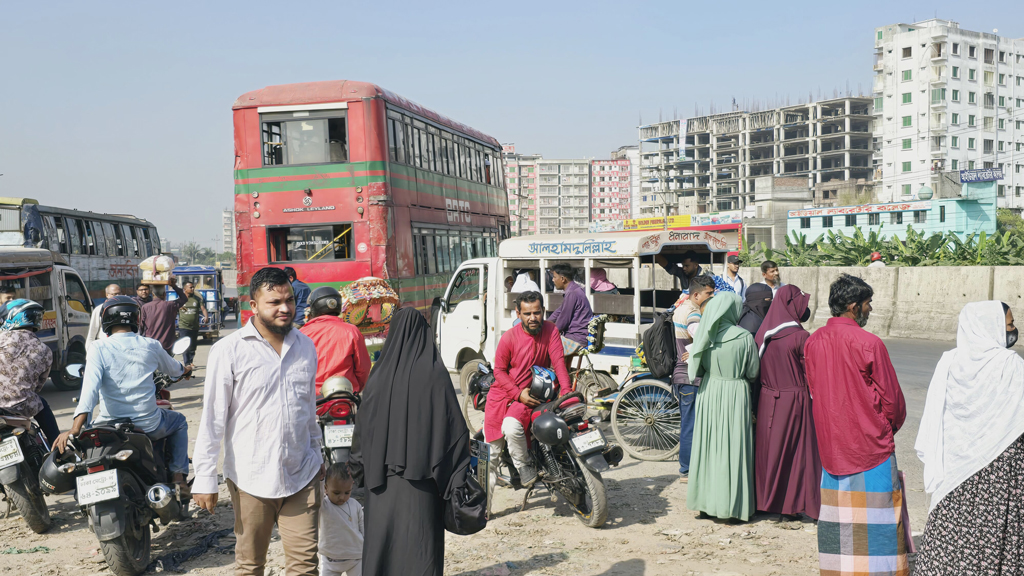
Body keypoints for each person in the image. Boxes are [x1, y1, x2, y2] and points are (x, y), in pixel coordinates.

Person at [192, 267, 322, 576]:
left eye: (289, 300)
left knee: (305, 566)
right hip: (252, 477)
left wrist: (318, 455)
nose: (285, 308)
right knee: (250, 566)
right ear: (254, 305)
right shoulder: (230, 350)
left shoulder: (306, 346)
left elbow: (308, 410)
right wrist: (205, 477)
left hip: (302, 472)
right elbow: (212, 417)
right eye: (274, 302)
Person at [347, 307, 471, 576]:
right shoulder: (435, 376)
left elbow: (362, 431)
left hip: (381, 487)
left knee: (382, 549)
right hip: (423, 486)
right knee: (420, 550)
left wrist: (358, 468)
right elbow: (454, 431)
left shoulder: (378, 378)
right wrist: (456, 476)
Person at [804, 274, 908, 576]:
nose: (870, 309)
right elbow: (893, 402)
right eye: (867, 304)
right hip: (870, 448)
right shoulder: (869, 343)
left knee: (840, 522)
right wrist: (884, 430)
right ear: (853, 306)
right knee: (878, 520)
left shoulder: (812, 343)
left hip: (832, 447)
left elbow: (815, 391)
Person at [912, 301, 1024, 575]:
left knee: (953, 528)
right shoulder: (1012, 365)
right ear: (990, 327)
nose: (1013, 330)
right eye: (1008, 324)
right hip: (1001, 470)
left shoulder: (949, 361)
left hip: (956, 463)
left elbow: (939, 414)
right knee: (995, 531)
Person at [52, 296, 194, 494]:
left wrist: (75, 428)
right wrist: (186, 369)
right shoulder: (151, 345)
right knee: (179, 421)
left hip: (108, 426)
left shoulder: (98, 348)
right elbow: (174, 369)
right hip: (148, 425)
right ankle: (179, 478)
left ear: (106, 321)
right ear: (136, 319)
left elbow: (89, 391)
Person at [487, 291, 572, 488]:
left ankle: (525, 464)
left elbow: (559, 363)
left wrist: (566, 390)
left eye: (537, 312)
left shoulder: (551, 330)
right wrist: (517, 394)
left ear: (543, 310)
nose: (533, 318)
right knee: (491, 456)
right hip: (503, 395)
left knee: (512, 426)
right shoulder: (508, 338)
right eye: (527, 314)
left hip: (533, 394)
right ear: (518, 314)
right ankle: (483, 511)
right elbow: (499, 371)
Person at [686, 292, 758, 522]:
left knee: (708, 447)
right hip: (735, 392)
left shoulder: (705, 336)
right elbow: (753, 372)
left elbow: (696, 367)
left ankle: (705, 505)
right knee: (733, 447)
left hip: (710, 391)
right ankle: (732, 508)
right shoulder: (744, 337)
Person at [752, 285, 821, 521]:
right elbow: (811, 373)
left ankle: (765, 500)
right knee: (798, 454)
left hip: (767, 398)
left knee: (769, 451)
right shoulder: (800, 336)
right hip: (795, 400)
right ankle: (791, 505)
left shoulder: (764, 334)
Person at [0, 299, 61, 445]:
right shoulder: (45, 350)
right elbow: (38, 386)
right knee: (42, 404)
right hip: (24, 406)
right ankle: (58, 448)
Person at [673, 275, 716, 481]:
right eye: (709, 293)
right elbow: (696, 331)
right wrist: (702, 346)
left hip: (684, 376)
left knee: (690, 423)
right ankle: (687, 470)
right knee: (690, 425)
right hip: (690, 377)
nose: (712, 297)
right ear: (697, 294)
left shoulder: (683, 307)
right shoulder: (692, 312)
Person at [300, 287, 371, 394]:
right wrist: (357, 388)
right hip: (346, 394)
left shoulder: (303, 333)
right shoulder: (351, 330)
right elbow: (363, 367)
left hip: (313, 397)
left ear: (314, 307)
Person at [318, 463, 363, 576]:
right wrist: (320, 479)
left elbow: (363, 527)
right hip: (330, 560)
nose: (342, 497)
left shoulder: (355, 505)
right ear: (326, 488)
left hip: (356, 558)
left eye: (347, 492)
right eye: (337, 493)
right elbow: (316, 493)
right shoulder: (323, 505)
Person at [547, 263, 592, 360]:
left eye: (554, 277)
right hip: (578, 337)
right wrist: (545, 323)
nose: (553, 280)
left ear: (563, 279)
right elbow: (558, 312)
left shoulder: (572, 294)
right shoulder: (575, 290)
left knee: (541, 347)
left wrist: (546, 331)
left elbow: (562, 322)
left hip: (575, 339)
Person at [140, 280, 187, 355]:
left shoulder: (145, 307)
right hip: (166, 345)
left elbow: (141, 327)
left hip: (150, 345)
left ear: (152, 293)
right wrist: (174, 286)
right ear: (164, 294)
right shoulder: (170, 305)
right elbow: (184, 298)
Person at [177, 281, 209, 366]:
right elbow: (173, 310)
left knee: (192, 346)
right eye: (190, 287)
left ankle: (190, 361)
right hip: (183, 326)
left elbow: (203, 309)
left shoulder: (197, 299)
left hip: (194, 327)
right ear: (185, 289)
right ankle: (187, 362)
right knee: (185, 345)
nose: (192, 289)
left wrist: (206, 317)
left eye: (193, 287)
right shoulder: (180, 300)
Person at [86, 283, 122, 354]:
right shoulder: (99, 309)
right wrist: (89, 353)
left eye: (119, 294)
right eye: (114, 294)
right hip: (104, 349)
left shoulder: (126, 309)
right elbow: (91, 335)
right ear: (107, 295)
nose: (117, 297)